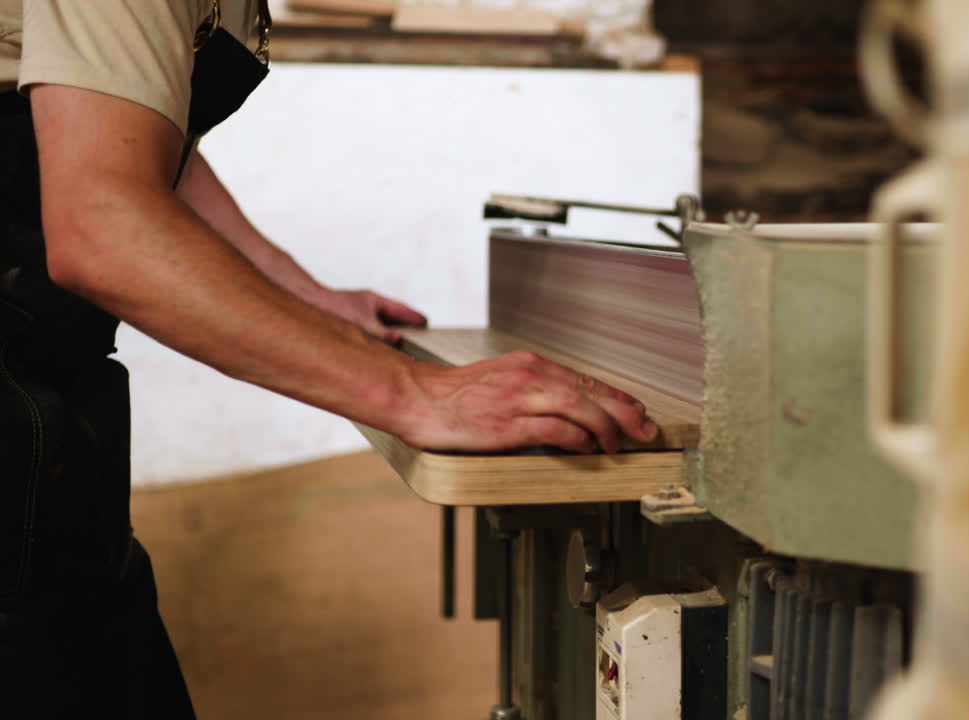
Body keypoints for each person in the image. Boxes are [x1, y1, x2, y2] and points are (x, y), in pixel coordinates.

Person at [0, 1, 657, 715]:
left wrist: (306, 295)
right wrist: (416, 395)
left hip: (48, 412)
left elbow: (118, 134)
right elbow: (101, 224)